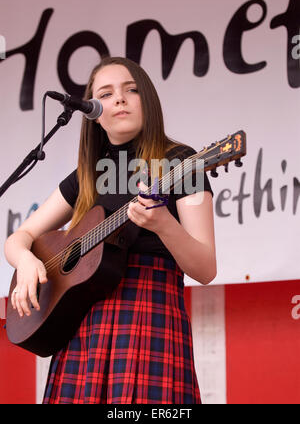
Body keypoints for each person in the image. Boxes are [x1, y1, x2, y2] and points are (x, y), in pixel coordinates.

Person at [4, 56, 216, 404]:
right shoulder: (86, 174)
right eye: (106, 93)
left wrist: (163, 225)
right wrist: (26, 263)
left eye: (131, 90)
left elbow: (206, 268)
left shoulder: (182, 162)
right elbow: (18, 239)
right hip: (83, 325)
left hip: (148, 314)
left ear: (147, 99)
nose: (119, 98)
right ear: (93, 113)